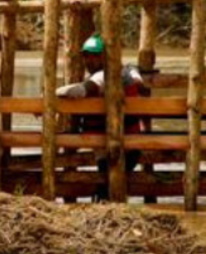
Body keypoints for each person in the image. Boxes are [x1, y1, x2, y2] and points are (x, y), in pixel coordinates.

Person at [55, 34, 149, 199]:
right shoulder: (127, 72)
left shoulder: (103, 76)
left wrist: (50, 96)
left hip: (119, 145)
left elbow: (78, 91)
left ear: (106, 56)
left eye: (95, 56)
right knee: (107, 188)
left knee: (107, 190)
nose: (90, 61)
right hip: (117, 145)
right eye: (87, 56)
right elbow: (140, 84)